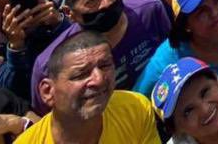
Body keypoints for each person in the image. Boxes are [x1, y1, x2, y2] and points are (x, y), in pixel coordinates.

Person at [31, 0, 171, 112]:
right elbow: (46, 119)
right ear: (70, 13)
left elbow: (172, 54)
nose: (106, 3)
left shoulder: (150, 10)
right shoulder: (49, 64)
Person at [22, 31, 161, 144]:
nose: (99, 80)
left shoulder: (135, 108)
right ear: (48, 91)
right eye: (81, 74)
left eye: (105, 66)